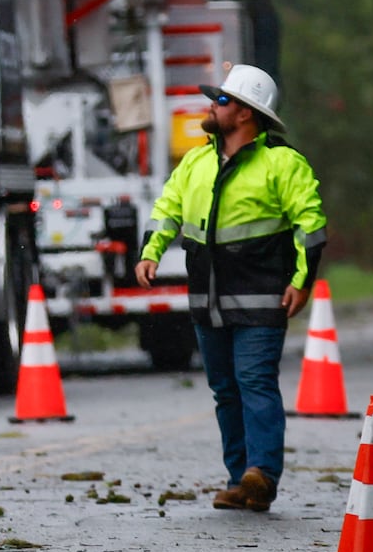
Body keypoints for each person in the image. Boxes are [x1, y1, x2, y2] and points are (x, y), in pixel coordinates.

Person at [136, 64, 327, 512]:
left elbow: (311, 226)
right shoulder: (196, 162)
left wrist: (302, 281)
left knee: (255, 381)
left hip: (262, 299)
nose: (211, 106)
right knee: (225, 390)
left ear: (245, 114)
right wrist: (151, 250)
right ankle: (238, 478)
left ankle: (260, 474)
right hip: (208, 299)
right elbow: (166, 209)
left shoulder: (282, 163)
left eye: (221, 100)